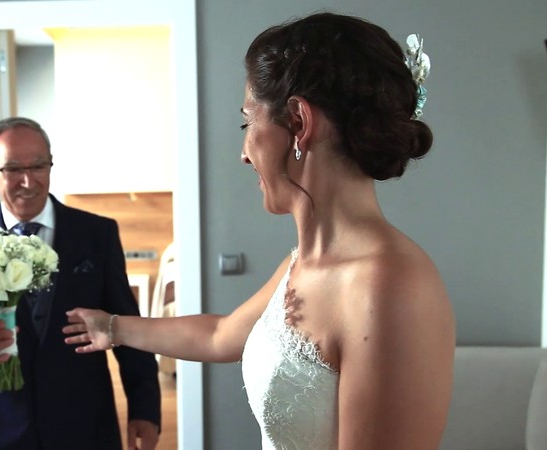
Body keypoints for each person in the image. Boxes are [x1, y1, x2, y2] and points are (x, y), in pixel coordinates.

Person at [64, 12, 455, 450]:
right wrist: (112, 327)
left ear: (299, 123)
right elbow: (221, 335)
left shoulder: (390, 286)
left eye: (247, 122)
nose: (244, 154)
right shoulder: (302, 262)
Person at [0, 117, 161, 450]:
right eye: (13, 169)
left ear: (50, 164)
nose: (28, 181)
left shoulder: (97, 234)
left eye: (38, 166)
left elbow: (128, 326)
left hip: (85, 426)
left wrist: (144, 409)